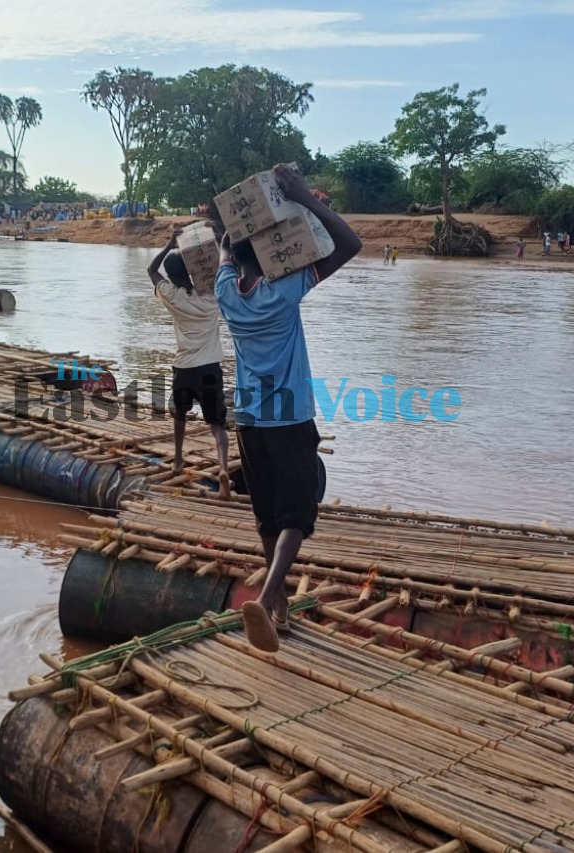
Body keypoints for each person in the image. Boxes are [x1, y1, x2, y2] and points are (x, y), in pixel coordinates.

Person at [215, 164, 362, 651]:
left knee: (266, 512)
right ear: (270, 257)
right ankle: (270, 592)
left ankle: (276, 610)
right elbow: (349, 245)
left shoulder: (224, 295)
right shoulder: (284, 292)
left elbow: (223, 249)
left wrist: (237, 225)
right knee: (297, 513)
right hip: (290, 418)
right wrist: (304, 199)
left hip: (249, 420)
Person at [147, 230, 232, 500]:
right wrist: (218, 243)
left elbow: (151, 270)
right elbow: (221, 269)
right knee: (218, 426)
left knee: (180, 416)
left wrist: (168, 244)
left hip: (184, 367)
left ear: (172, 276)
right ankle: (223, 468)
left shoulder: (172, 296)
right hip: (210, 368)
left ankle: (179, 459)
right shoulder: (210, 297)